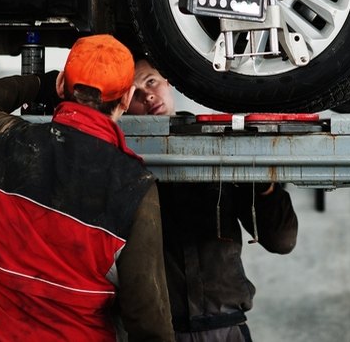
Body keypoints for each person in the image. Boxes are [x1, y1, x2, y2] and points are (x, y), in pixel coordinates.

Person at [0, 34, 174, 342]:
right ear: (126, 99)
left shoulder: (6, 144)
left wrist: (39, 83)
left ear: (61, 86)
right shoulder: (134, 186)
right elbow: (147, 318)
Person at [128, 57, 299, 342]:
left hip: (227, 328)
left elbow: (281, 240)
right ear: (121, 103)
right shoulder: (123, 163)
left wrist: (262, 183)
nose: (147, 96)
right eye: (133, 93)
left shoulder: (216, 145)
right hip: (158, 331)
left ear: (168, 81)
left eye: (151, 81)